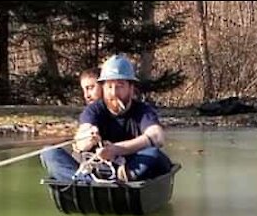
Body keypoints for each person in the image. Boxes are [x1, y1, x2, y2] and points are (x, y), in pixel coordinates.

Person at [41, 54, 172, 182]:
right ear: (103, 88)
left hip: (130, 167)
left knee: (154, 155)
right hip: (97, 168)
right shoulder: (94, 110)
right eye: (109, 86)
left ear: (131, 89)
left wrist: (116, 149)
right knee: (49, 152)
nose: (114, 93)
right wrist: (87, 139)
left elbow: (157, 136)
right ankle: (88, 182)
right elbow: (83, 135)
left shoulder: (143, 111)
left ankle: (113, 180)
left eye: (120, 86)